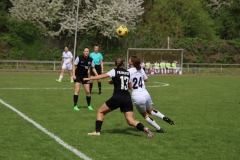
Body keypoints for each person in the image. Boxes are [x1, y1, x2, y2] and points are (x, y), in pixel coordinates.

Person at [83, 57, 154, 137]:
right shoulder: (127, 72)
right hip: (127, 97)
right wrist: (115, 82)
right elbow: (130, 86)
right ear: (123, 64)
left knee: (100, 111)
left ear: (115, 64)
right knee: (130, 120)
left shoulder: (114, 71)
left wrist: (90, 78)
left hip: (117, 97)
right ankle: (145, 129)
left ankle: (97, 132)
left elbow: (102, 76)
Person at [128, 56, 174, 133]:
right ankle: (163, 117)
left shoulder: (128, 71)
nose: (128, 60)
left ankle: (159, 128)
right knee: (150, 110)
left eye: (129, 59)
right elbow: (147, 79)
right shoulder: (140, 69)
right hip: (146, 94)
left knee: (145, 115)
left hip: (137, 96)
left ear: (132, 62)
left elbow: (130, 87)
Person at [72, 47, 98, 111]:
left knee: (88, 91)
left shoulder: (90, 59)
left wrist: (97, 75)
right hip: (78, 76)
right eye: (85, 51)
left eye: (87, 51)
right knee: (77, 90)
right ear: (83, 52)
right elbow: (74, 66)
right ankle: (75, 106)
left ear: (89, 52)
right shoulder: (79, 58)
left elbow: (93, 68)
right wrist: (73, 75)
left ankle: (89, 105)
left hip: (85, 77)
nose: (86, 52)